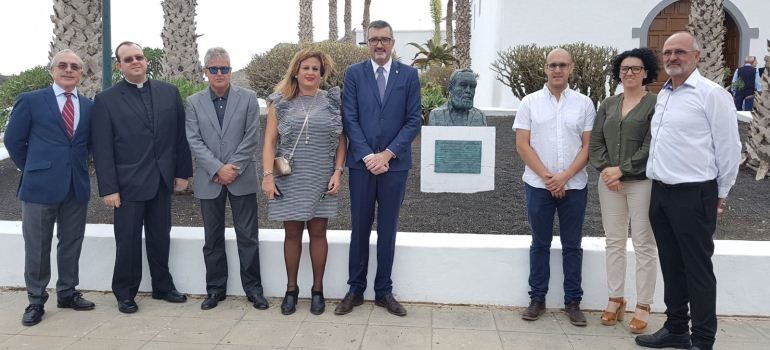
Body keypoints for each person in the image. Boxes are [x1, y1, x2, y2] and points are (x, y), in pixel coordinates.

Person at [635, 32, 741, 350]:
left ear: (696, 56)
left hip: (695, 194)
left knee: (697, 269)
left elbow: (729, 148)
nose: (672, 58)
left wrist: (721, 193)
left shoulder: (711, 95)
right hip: (661, 193)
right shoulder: (665, 94)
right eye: (667, 53)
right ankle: (677, 329)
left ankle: (703, 339)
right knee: (671, 263)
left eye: (680, 52)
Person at [91, 41, 193, 314]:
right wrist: (108, 188)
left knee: (161, 237)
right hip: (127, 185)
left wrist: (182, 173)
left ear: (146, 61)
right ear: (119, 65)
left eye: (139, 57)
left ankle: (162, 287)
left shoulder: (169, 93)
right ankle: (125, 292)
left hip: (161, 181)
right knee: (128, 241)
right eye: (128, 59)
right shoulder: (106, 100)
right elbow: (102, 149)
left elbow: (179, 137)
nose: (135, 62)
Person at [335, 20, 422, 317]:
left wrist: (386, 155)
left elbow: (413, 120)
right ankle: (355, 289)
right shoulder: (355, 74)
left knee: (388, 229)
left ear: (393, 42)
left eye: (385, 39)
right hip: (362, 166)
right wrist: (368, 156)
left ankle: (384, 291)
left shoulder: (409, 75)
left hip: (394, 167)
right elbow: (350, 117)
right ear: (367, 43)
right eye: (374, 40)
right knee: (359, 228)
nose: (379, 44)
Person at [4, 49, 95, 326]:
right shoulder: (31, 101)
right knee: (38, 246)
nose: (69, 70)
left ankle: (67, 292)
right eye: (63, 65)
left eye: (75, 66)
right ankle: (35, 300)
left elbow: (89, 144)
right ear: (52, 70)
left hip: (75, 186)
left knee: (71, 242)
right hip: (38, 187)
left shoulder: (89, 106)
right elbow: (13, 141)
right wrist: (32, 167)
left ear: (81, 73)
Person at [513, 48, 596, 327]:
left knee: (573, 245)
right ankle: (537, 298)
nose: (557, 70)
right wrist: (550, 177)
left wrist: (565, 176)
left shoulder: (584, 104)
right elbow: (522, 144)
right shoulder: (529, 102)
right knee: (540, 243)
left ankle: (573, 302)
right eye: (552, 65)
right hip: (538, 185)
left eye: (562, 65)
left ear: (571, 68)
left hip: (575, 186)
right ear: (545, 69)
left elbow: (588, 146)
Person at [262, 48, 346, 316]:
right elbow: (270, 142)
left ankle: (317, 291)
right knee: (292, 233)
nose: (310, 72)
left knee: (319, 233)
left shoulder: (332, 101)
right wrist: (266, 176)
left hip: (321, 175)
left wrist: (338, 172)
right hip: (290, 177)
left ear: (322, 74)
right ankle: (291, 290)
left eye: (315, 69)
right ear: (296, 72)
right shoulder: (280, 102)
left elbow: (342, 139)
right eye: (305, 68)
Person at [185, 47, 268, 311]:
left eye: (224, 69)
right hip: (210, 180)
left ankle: (254, 290)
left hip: (241, 177)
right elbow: (194, 140)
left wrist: (232, 168)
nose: (219, 73)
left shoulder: (248, 98)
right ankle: (215, 290)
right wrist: (217, 168)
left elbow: (252, 136)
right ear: (205, 71)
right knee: (212, 239)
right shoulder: (194, 102)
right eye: (214, 69)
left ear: (231, 70)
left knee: (248, 236)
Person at [588, 47, 659, 334]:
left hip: (641, 182)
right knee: (614, 242)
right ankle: (615, 298)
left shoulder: (655, 103)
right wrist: (608, 170)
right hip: (609, 183)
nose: (629, 73)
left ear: (646, 73)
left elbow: (652, 143)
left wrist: (624, 170)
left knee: (644, 245)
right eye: (624, 69)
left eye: (635, 69)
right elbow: (595, 142)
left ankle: (643, 305)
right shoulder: (607, 104)